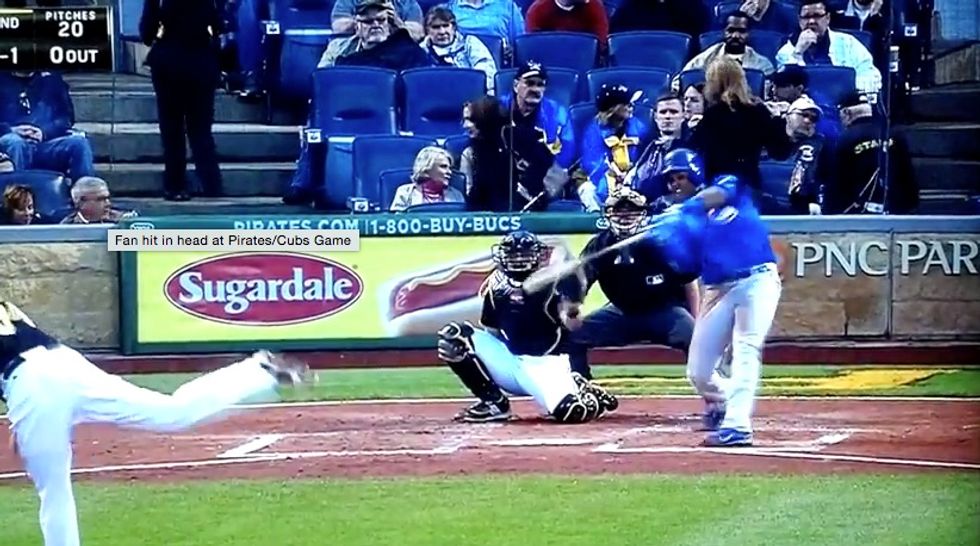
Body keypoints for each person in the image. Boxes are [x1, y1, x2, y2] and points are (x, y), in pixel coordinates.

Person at [0, 300, 311, 546]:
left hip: (29, 384)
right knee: (171, 412)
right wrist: (23, 419)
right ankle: (258, 370)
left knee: (54, 490)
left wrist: (25, 416)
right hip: (63, 363)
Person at [644, 164, 783, 446]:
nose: (675, 184)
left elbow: (719, 193)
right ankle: (731, 402)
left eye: (681, 177)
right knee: (698, 372)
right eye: (670, 180)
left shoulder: (727, 187)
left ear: (695, 175)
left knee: (746, 348)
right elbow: (688, 268)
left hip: (757, 280)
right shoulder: (684, 226)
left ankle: (737, 425)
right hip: (717, 289)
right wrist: (667, 240)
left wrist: (687, 209)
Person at [437, 230, 618, 423]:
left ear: (537, 257)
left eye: (523, 255)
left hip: (544, 364)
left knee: (572, 412)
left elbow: (573, 325)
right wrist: (491, 360)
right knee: (453, 337)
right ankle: (493, 403)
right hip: (511, 359)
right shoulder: (496, 284)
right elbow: (492, 328)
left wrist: (570, 311)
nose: (518, 260)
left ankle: (580, 387)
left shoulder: (554, 284)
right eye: (513, 255)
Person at [562, 186, 699, 381]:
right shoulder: (600, 244)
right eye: (619, 211)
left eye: (631, 211)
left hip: (666, 312)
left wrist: (697, 317)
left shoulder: (661, 242)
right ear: (609, 214)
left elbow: (689, 281)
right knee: (571, 334)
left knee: (698, 339)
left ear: (643, 214)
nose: (625, 216)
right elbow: (580, 279)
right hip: (621, 313)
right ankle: (582, 385)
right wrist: (572, 310)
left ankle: (713, 387)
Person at [140, 0, 224, 201]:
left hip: (168, 63)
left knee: (172, 128)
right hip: (202, 62)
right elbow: (220, 24)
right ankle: (211, 183)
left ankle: (175, 185)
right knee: (201, 128)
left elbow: (147, 33)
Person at [689, 56, 793, 198]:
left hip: (717, 190)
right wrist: (777, 120)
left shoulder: (712, 116)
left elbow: (694, 152)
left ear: (714, 83)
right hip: (749, 186)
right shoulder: (758, 111)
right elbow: (780, 152)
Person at [827, 91, 918, 215]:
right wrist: (911, 205)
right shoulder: (894, 134)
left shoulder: (845, 139)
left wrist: (831, 211)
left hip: (859, 213)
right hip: (895, 210)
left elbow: (837, 181)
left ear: (846, 113)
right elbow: (907, 174)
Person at [0, 71, 95, 183]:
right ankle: (17, 192)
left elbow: (66, 118)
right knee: (14, 142)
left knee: (79, 143)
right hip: (10, 141)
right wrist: (11, 130)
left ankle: (87, 191)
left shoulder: (51, 80)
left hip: (45, 144)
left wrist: (43, 132)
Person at [775, 0, 882, 94]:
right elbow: (784, 87)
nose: (811, 21)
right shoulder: (787, 51)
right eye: (806, 17)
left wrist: (849, 89)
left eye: (817, 16)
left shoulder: (848, 43)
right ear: (799, 21)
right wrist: (798, 53)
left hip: (845, 103)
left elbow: (872, 76)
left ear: (828, 18)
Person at [580, 84, 650, 208]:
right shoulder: (593, 131)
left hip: (634, 179)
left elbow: (647, 157)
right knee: (587, 190)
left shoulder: (638, 126)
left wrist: (631, 174)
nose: (630, 107)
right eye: (626, 104)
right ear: (612, 109)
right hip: (604, 179)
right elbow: (593, 163)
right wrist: (615, 174)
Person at [420, 6, 498, 93]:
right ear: (427, 30)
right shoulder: (421, 51)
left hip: (472, 94)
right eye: (436, 27)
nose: (442, 32)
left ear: (453, 27)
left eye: (446, 26)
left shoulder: (470, 43)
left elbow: (487, 73)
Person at [389, 146, 465, 211]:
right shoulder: (405, 193)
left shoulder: (456, 195)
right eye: (443, 167)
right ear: (426, 169)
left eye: (450, 168)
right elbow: (396, 220)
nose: (449, 172)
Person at [58, 177, 138, 225]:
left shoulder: (123, 221)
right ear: (80, 203)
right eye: (100, 199)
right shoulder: (67, 227)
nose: (108, 204)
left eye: (108, 198)